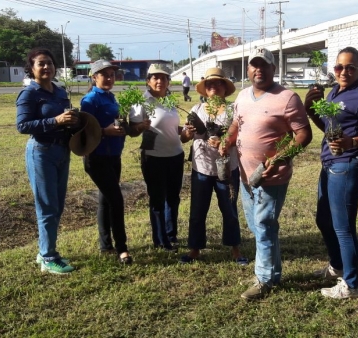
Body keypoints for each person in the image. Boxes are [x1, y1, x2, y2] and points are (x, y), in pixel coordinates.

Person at [221, 48, 313, 300]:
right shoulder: (242, 96)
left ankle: (264, 279)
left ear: (274, 68)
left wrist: (280, 158)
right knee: (257, 225)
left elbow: (304, 135)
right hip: (245, 176)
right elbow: (236, 124)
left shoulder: (287, 98)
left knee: (263, 226)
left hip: (272, 176)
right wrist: (227, 141)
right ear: (248, 69)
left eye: (264, 65)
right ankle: (270, 272)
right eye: (254, 65)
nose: (259, 70)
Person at [303, 46, 358, 299]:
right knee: (323, 220)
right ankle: (337, 266)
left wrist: (351, 142)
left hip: (349, 165)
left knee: (343, 227)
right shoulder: (334, 92)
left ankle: (352, 284)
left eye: (350, 67)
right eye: (339, 67)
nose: (343, 71)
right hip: (329, 163)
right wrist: (311, 108)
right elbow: (328, 128)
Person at [16, 48, 77, 274]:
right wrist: (56, 120)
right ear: (31, 68)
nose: (46, 67)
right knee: (47, 206)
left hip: (62, 151)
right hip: (41, 152)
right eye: (40, 63)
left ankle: (44, 249)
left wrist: (73, 120)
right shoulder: (29, 94)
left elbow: (66, 119)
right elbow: (22, 126)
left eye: (49, 63)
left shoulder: (59, 92)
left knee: (57, 205)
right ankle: (48, 257)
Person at [178, 67, 247, 265]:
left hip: (227, 168)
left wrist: (224, 143)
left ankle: (235, 248)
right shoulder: (196, 110)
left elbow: (241, 137)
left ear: (225, 88)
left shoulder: (233, 110)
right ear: (205, 89)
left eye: (218, 83)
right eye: (210, 84)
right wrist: (188, 134)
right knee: (198, 211)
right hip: (201, 168)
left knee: (230, 209)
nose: (214, 87)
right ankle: (195, 249)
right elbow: (183, 137)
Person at [80, 60, 133, 264]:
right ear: (94, 77)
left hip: (114, 156)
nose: (109, 78)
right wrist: (105, 131)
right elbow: (84, 131)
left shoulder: (111, 97)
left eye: (112, 74)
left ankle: (105, 245)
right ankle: (122, 249)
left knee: (105, 200)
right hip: (97, 158)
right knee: (116, 200)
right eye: (105, 75)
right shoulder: (90, 100)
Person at [129, 64, 184, 252]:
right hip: (154, 157)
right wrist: (140, 127)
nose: (160, 81)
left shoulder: (169, 101)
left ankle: (171, 235)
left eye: (164, 78)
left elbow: (171, 127)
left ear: (169, 81)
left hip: (176, 155)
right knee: (158, 200)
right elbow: (133, 131)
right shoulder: (141, 102)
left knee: (173, 198)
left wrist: (185, 131)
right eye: (155, 78)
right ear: (148, 81)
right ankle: (160, 240)